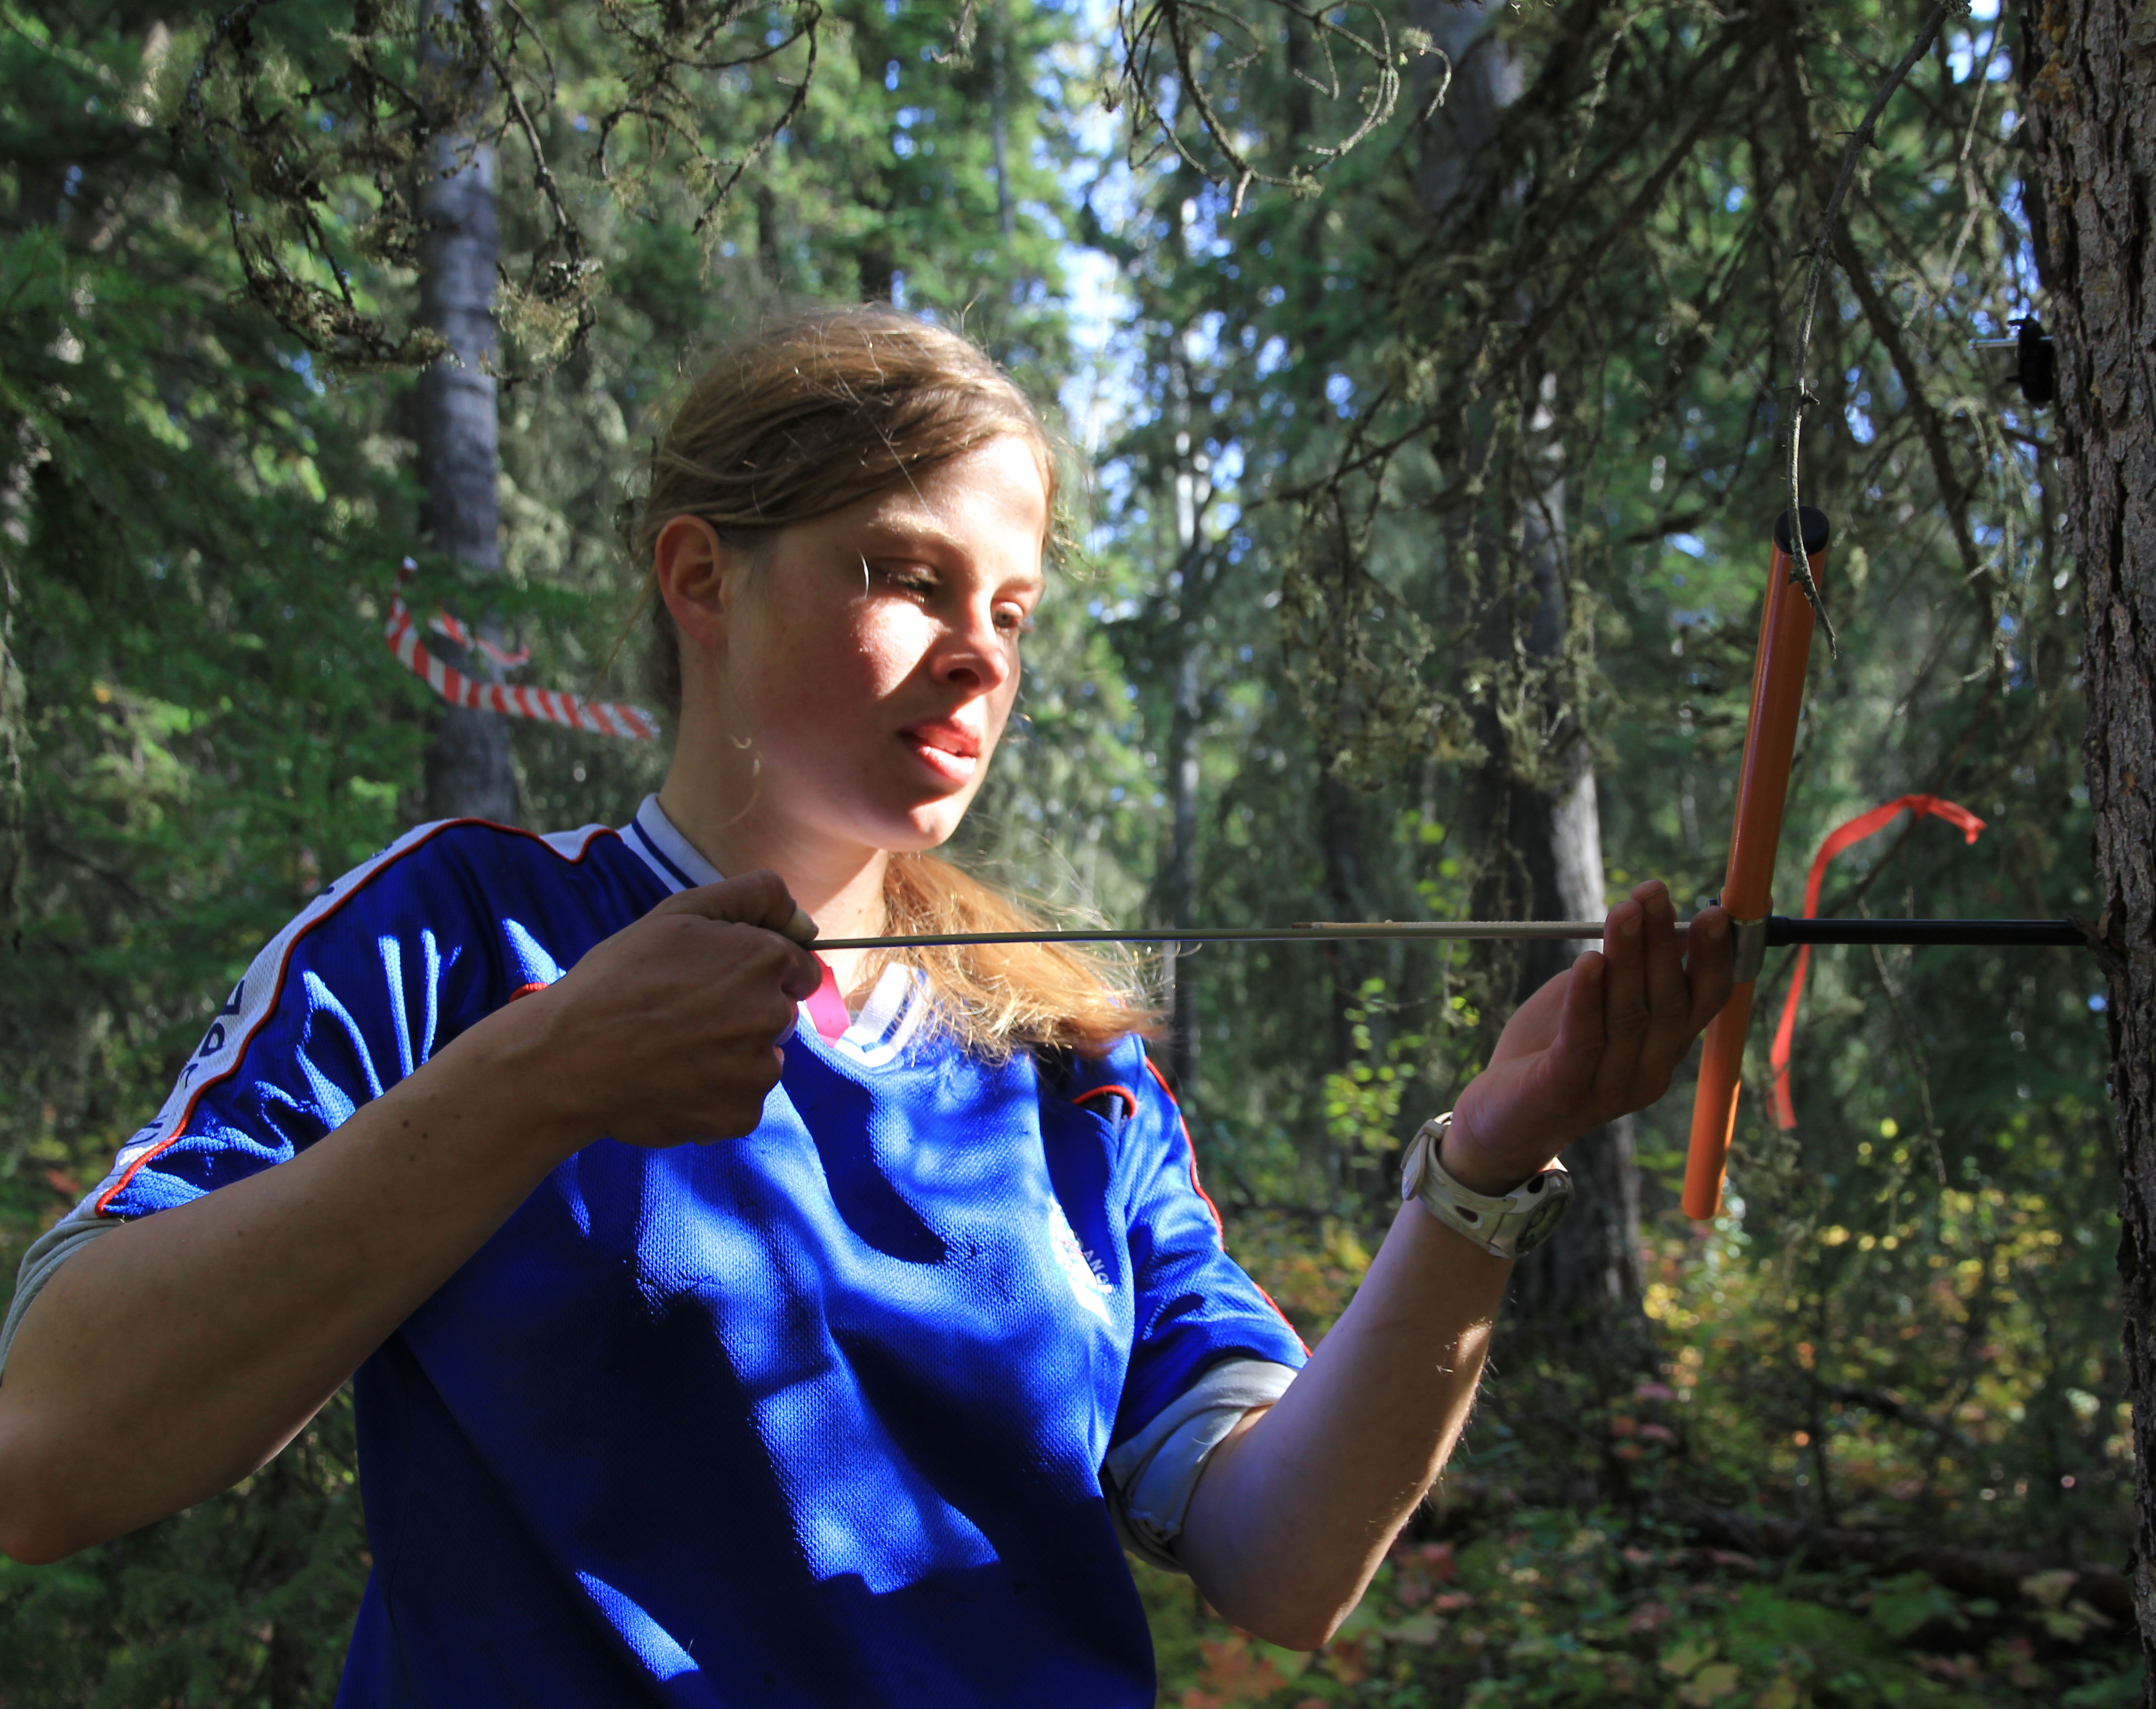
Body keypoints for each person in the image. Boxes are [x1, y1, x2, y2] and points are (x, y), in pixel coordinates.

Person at [0, 307, 1733, 1705]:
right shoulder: (463, 936)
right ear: (702, 579)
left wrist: (1490, 1169)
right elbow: (51, 1448)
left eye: (1014, 608)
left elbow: (1279, 1563)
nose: (984, 656)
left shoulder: (1063, 1060)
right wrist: (540, 1078)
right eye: (907, 576)